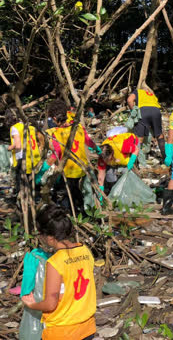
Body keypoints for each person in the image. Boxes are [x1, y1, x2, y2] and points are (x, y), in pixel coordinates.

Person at [22, 204, 96, 340]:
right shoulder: (85, 251)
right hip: (87, 327)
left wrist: (32, 304)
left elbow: (51, 303)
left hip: (61, 332)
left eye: (41, 235)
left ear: (50, 238)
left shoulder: (55, 263)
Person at [38, 100, 99, 212]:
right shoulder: (78, 126)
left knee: (64, 194)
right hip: (81, 167)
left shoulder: (57, 133)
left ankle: (68, 215)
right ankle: (81, 211)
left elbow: (55, 154)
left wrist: (43, 171)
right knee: (74, 190)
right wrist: (97, 149)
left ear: (55, 119)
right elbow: (88, 140)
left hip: (68, 170)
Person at [6, 109, 42, 197]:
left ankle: (22, 205)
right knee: (31, 182)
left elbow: (18, 145)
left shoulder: (14, 128)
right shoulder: (30, 126)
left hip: (23, 159)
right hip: (34, 158)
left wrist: (9, 147)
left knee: (21, 184)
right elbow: (39, 138)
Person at [126, 87, 166, 160]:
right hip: (156, 111)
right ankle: (165, 158)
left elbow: (129, 100)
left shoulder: (138, 91)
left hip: (143, 111)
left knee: (139, 138)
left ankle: (135, 162)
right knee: (159, 135)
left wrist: (133, 110)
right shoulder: (152, 95)